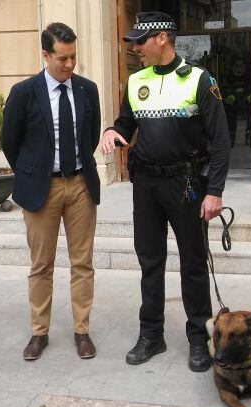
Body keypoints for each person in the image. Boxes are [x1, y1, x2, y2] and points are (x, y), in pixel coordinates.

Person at [99, 11, 230, 373]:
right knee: (150, 261)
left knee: (192, 262)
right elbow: (127, 124)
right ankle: (151, 334)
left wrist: (214, 191)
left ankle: (198, 337)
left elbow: (220, 143)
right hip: (146, 185)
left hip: (186, 184)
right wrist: (113, 130)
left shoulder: (200, 80)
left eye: (140, 41)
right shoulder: (135, 81)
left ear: (162, 38)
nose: (135, 48)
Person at [2, 22, 101, 361]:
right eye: (62, 59)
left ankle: (82, 331)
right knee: (41, 265)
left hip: (80, 186)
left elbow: (89, 138)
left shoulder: (88, 90)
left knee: (82, 263)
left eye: (73, 57)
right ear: (45, 55)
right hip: (41, 188)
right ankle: (39, 333)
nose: (69, 65)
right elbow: (10, 143)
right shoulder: (24, 92)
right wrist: (32, 172)